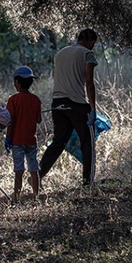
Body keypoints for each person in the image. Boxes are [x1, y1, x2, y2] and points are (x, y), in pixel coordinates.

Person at [38, 28, 99, 186]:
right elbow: (89, 83)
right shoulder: (87, 54)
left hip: (58, 103)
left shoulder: (60, 53)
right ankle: (88, 183)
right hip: (77, 104)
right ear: (91, 41)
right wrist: (93, 109)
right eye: (93, 43)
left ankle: (37, 176)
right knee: (87, 143)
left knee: (58, 142)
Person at [5, 66, 42, 201]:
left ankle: (16, 196)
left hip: (17, 140)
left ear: (17, 83)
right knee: (34, 169)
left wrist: (8, 138)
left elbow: (10, 121)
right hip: (31, 140)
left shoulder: (13, 100)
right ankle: (36, 196)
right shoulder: (36, 100)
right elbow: (38, 120)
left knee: (18, 170)